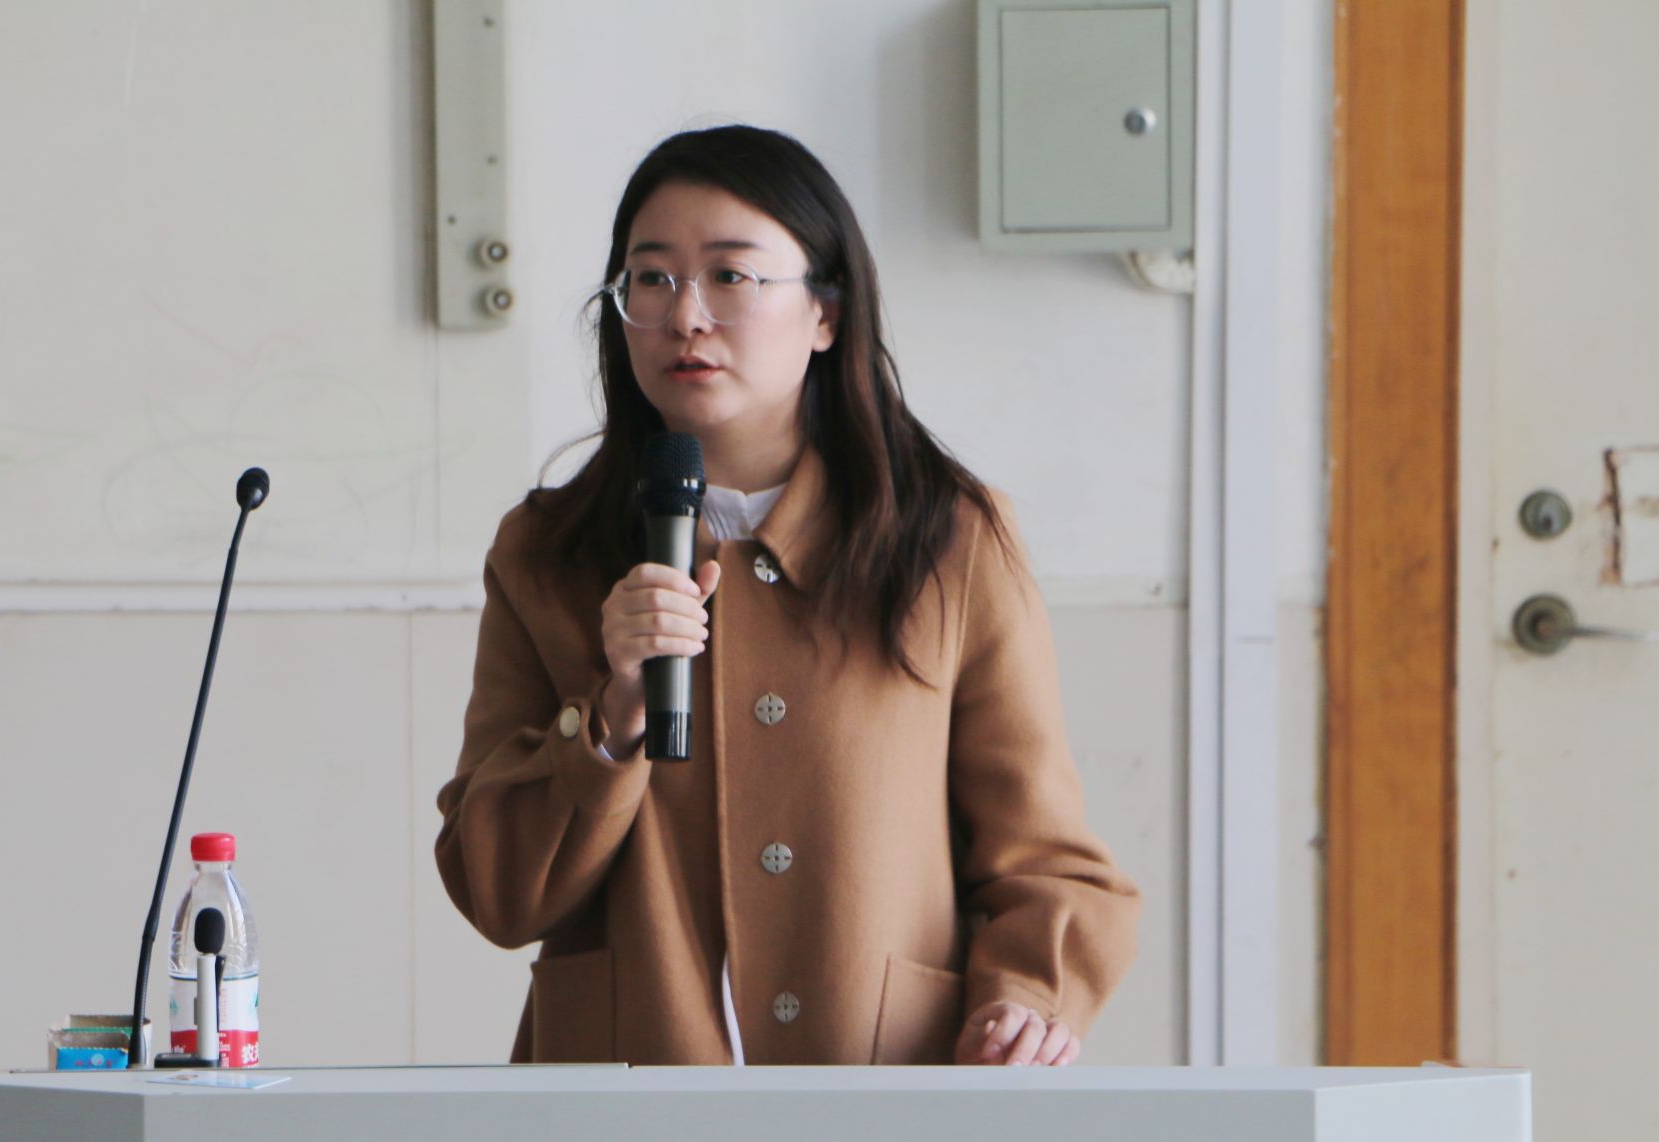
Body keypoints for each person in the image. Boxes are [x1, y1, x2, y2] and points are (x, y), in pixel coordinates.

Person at [434, 125, 1139, 1067]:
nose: (686, 315)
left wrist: (1025, 999)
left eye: (731, 275)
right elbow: (497, 892)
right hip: (620, 1100)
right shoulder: (547, 552)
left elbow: (1047, 861)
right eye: (651, 279)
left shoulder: (949, 540)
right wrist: (612, 718)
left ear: (826, 314)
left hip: (880, 1089)